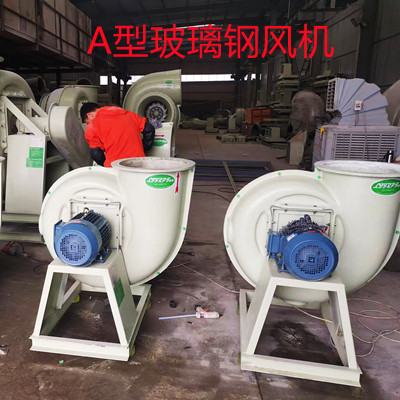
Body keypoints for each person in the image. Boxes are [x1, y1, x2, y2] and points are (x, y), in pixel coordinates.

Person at [80, 102, 157, 167]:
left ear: (89, 115)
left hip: (115, 168)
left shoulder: (92, 126)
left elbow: (96, 154)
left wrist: (104, 164)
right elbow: (149, 129)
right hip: (139, 164)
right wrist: (144, 147)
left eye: (87, 122)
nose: (88, 124)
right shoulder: (129, 115)